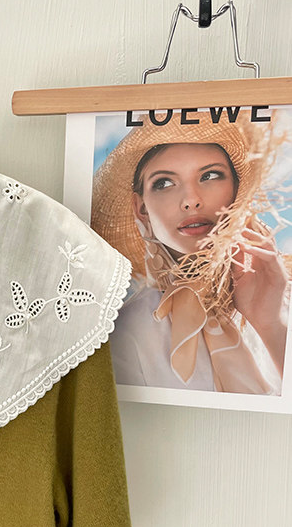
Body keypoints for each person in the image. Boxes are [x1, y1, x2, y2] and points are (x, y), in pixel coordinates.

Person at [91, 110, 292, 395]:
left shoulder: (282, 297)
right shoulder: (126, 331)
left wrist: (272, 324)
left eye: (210, 175)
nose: (191, 201)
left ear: (237, 189)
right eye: (164, 183)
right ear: (141, 208)